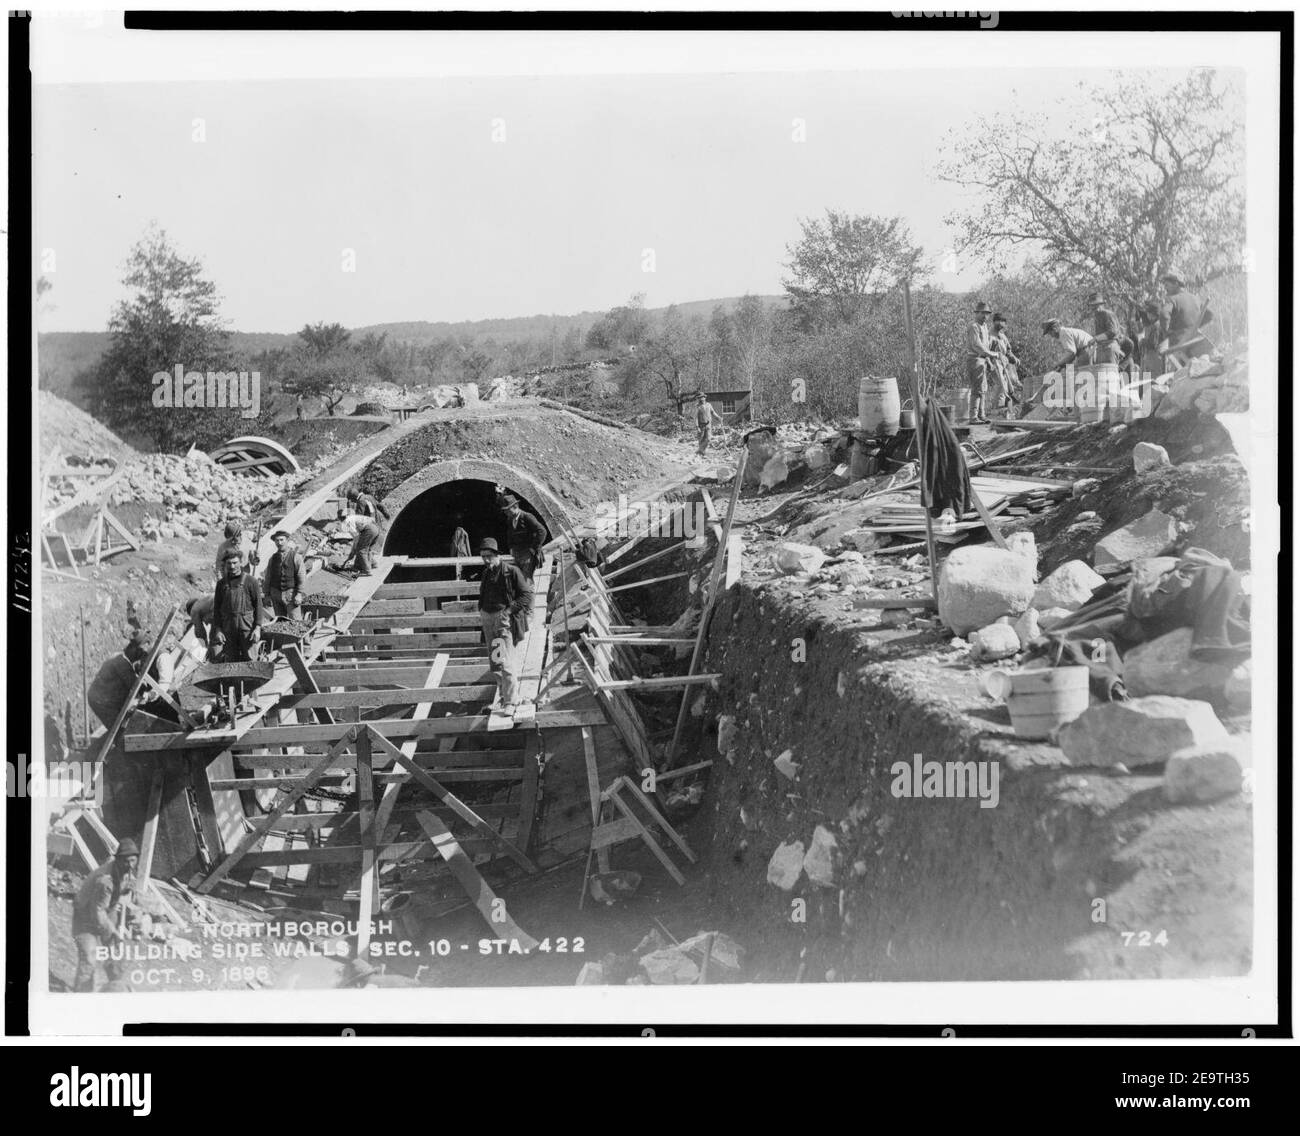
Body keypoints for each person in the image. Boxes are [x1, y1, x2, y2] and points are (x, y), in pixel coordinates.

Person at [72, 839, 139, 993]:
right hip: (85, 917)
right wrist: (113, 931)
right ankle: (82, 998)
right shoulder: (105, 880)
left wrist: (126, 893)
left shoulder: (125, 871)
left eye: (133, 860)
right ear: (118, 860)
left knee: (116, 954)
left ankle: (114, 992)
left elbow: (112, 901)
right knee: (89, 959)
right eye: (126, 861)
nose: (130, 865)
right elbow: (98, 913)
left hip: (106, 911)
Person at [475, 537, 532, 709]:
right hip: (488, 618)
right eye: (483, 556)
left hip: (503, 619)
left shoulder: (511, 571)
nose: (486, 560)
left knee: (506, 661)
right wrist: (483, 612)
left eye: (488, 556)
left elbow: (526, 596)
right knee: (495, 660)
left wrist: (508, 612)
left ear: (496, 555)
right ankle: (502, 697)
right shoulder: (486, 573)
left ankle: (511, 700)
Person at [211, 550, 265, 662]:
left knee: (250, 659)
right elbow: (216, 609)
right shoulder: (221, 584)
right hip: (228, 629)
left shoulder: (251, 581)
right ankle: (234, 680)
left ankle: (250, 680)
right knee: (231, 661)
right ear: (225, 565)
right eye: (229, 563)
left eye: (235, 562)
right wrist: (218, 630)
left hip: (247, 627)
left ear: (241, 562)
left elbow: (259, 606)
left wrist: (258, 628)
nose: (232, 566)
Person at [86, 639, 148, 730]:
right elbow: (136, 687)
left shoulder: (121, 657)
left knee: (124, 722)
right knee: (119, 730)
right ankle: (118, 742)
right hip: (101, 702)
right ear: (133, 649)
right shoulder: (121, 662)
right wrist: (145, 683)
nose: (140, 656)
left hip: (103, 698)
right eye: (139, 652)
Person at [1159, 270, 1214, 367]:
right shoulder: (1195, 298)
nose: (1165, 288)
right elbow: (1210, 315)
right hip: (1196, 340)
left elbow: (1164, 314)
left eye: (1167, 285)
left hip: (1179, 343)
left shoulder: (1172, 299)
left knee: (1179, 374)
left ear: (1176, 284)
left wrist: (1167, 332)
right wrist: (1195, 326)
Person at [964, 300, 999, 424]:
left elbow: (985, 346)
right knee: (977, 389)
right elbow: (977, 345)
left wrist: (989, 360)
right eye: (982, 313)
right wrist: (991, 354)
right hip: (974, 359)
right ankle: (973, 417)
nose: (985, 316)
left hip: (982, 360)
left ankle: (981, 415)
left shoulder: (984, 327)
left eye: (987, 314)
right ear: (976, 313)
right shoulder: (973, 326)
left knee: (983, 388)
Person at [262, 530, 306, 619]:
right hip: (276, 595)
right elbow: (268, 577)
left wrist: (299, 594)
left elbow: (301, 576)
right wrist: (266, 595)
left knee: (295, 621)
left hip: (290, 595)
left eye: (282, 540)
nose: (279, 543)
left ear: (287, 540)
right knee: (280, 621)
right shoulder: (273, 558)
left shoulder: (296, 557)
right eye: (277, 540)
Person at [502, 494, 546, 578]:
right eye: (505, 510)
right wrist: (511, 547)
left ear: (515, 506)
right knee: (519, 579)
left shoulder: (527, 517)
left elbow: (542, 531)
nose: (506, 512)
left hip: (528, 555)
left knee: (526, 580)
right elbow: (510, 534)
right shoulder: (510, 519)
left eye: (508, 510)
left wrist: (533, 548)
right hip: (517, 554)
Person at [988, 313, 1023, 415]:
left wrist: (1015, 358)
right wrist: (990, 364)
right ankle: (995, 410)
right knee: (1001, 385)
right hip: (995, 364)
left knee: (1008, 388)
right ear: (994, 322)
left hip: (1005, 365)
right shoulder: (989, 335)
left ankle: (1005, 410)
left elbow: (1008, 352)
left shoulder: (1003, 336)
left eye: (1003, 322)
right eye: (999, 321)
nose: (1001, 324)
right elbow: (985, 352)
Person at [335, 510, 381, 576]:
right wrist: (353, 552)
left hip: (369, 529)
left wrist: (352, 552)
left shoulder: (347, 522)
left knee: (361, 550)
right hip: (376, 527)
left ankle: (366, 571)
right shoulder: (352, 517)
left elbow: (356, 539)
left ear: (339, 517)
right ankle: (373, 564)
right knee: (368, 549)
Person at [1087, 291, 1122, 363]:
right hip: (1100, 349)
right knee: (1101, 373)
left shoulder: (1107, 314)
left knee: (1110, 373)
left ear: (1101, 304)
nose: (1095, 308)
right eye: (1092, 306)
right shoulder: (1097, 317)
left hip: (1110, 347)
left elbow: (1113, 332)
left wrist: (1095, 339)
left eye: (1097, 305)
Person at [694, 391, 724, 455]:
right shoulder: (697, 407)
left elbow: (713, 412)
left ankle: (701, 450)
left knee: (708, 438)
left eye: (702, 397)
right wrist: (697, 427)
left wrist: (718, 418)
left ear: (705, 397)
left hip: (708, 425)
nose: (701, 399)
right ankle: (702, 452)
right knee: (701, 439)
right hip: (701, 425)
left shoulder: (709, 405)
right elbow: (696, 417)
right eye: (699, 398)